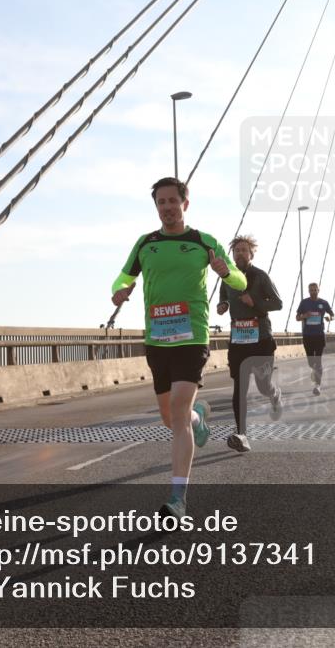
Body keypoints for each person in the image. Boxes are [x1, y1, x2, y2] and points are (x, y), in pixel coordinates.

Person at [111, 176, 247, 519]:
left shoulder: (203, 241)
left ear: (185, 204)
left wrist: (224, 272)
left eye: (173, 201)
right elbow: (124, 276)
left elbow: (239, 280)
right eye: (162, 202)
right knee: (170, 417)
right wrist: (120, 290)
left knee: (178, 405)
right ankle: (199, 419)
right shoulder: (146, 243)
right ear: (156, 206)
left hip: (192, 336)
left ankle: (177, 499)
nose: (168, 207)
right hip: (158, 339)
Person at [217, 234, 283, 453]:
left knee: (263, 385)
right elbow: (223, 298)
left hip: (261, 339)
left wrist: (254, 302)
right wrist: (223, 306)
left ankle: (274, 394)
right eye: (236, 250)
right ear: (232, 255)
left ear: (251, 253)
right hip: (238, 339)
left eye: (244, 250)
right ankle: (242, 434)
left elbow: (278, 303)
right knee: (240, 388)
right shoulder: (227, 278)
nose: (240, 253)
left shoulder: (260, 276)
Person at [295, 282, 334, 396]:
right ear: (309, 291)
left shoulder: (323, 303)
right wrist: (303, 316)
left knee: (318, 361)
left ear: (318, 290)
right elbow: (297, 317)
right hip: (307, 336)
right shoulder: (304, 303)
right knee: (311, 363)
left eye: (315, 290)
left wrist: (329, 317)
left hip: (319, 336)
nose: (313, 292)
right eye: (311, 290)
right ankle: (313, 370)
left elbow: (333, 314)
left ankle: (318, 386)